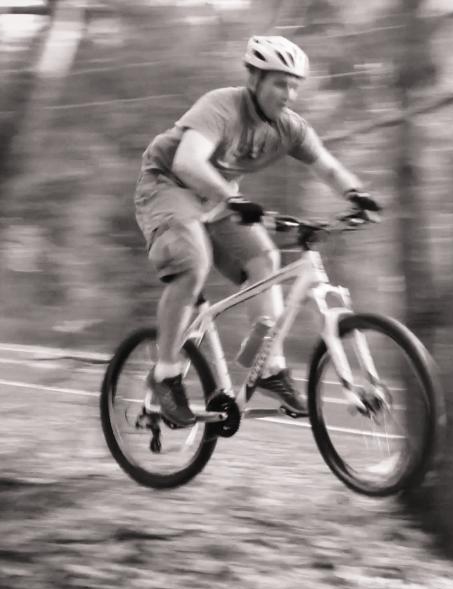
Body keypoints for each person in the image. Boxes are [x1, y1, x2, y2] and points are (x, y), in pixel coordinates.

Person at [134, 35, 382, 427]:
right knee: (193, 265)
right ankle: (165, 374)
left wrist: (356, 194)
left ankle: (269, 367)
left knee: (265, 259)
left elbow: (327, 166)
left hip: (215, 199)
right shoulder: (222, 106)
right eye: (280, 83)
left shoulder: (289, 128)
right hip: (168, 185)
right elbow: (186, 162)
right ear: (255, 80)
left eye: (295, 84)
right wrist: (231, 199)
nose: (290, 93)